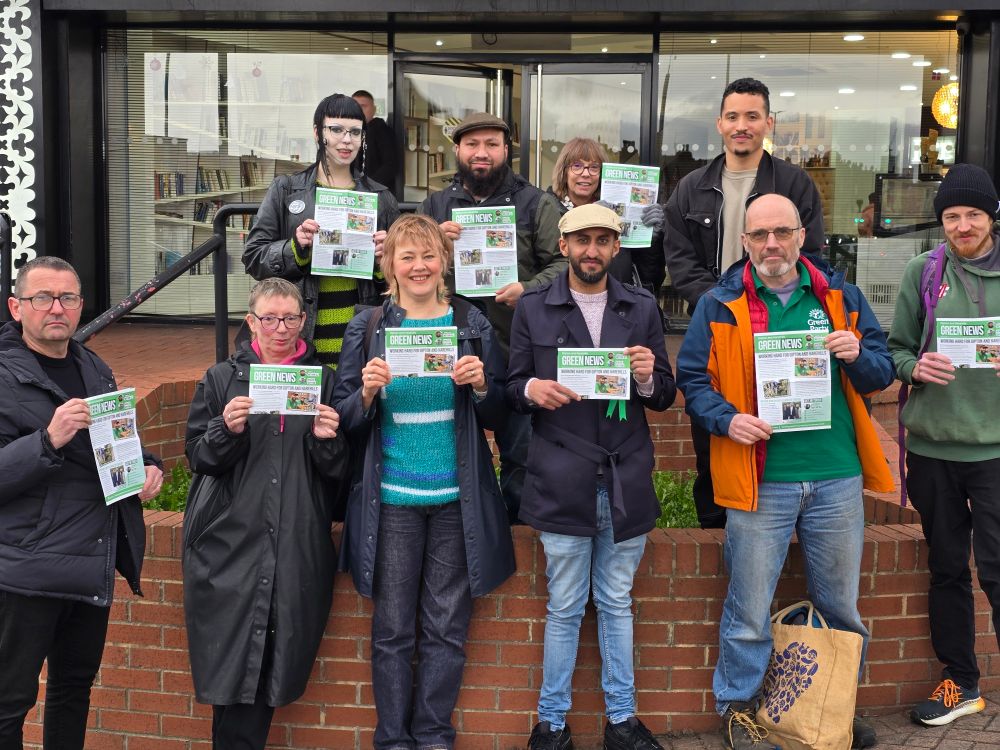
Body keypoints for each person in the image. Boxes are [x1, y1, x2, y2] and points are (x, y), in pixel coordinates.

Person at [675, 193, 892, 750]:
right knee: (748, 606)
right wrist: (727, 422)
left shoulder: (840, 296)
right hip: (759, 478)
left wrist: (855, 353)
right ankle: (738, 708)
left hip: (836, 475)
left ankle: (833, 710)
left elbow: (879, 373)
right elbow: (693, 382)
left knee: (842, 606)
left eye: (782, 232)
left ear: (802, 236)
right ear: (744, 243)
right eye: (759, 235)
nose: (771, 245)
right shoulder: (719, 304)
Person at [333, 214, 515, 750]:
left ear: (444, 263)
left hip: (454, 503)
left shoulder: (471, 324)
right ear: (389, 264)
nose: (418, 266)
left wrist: (483, 387)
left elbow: (502, 414)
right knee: (392, 632)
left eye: (428, 255)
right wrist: (364, 394)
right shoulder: (367, 327)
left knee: (445, 630)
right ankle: (392, 740)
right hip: (392, 502)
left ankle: (434, 736)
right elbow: (343, 417)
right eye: (406, 256)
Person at [506, 204, 677, 750]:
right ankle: (552, 724)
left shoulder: (641, 306)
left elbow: (666, 396)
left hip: (624, 472)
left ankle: (621, 721)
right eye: (582, 240)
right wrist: (532, 390)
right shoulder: (534, 308)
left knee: (616, 603)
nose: (592, 250)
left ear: (616, 247)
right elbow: (510, 386)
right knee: (563, 606)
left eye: (604, 240)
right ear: (563, 245)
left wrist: (649, 378)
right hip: (562, 471)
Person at [0, 256, 163, 748]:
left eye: (67, 298)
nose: (57, 308)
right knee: (9, 703)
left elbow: (115, 442)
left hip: (91, 562)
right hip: (27, 570)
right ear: (16, 307)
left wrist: (146, 466)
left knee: (73, 693)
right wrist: (46, 440)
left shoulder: (94, 367)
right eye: (43, 298)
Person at [182, 277, 349, 749]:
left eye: (290, 318)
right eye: (269, 318)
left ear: (304, 321)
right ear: (251, 321)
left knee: (266, 670)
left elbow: (338, 474)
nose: (280, 329)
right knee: (234, 673)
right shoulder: (221, 379)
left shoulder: (323, 380)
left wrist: (329, 440)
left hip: (295, 542)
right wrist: (225, 430)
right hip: (231, 546)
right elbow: (198, 458)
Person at [664, 77, 826, 530]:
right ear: (719, 123)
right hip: (718, 328)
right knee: (714, 440)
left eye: (752, 116)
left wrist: (773, 305)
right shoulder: (691, 188)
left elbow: (811, 256)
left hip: (782, 329)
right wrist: (722, 304)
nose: (742, 125)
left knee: (782, 435)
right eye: (733, 116)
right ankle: (715, 536)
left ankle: (786, 533)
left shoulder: (795, 184)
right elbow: (680, 261)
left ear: (768, 123)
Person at [887, 163, 1000, 727]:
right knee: (949, 569)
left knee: (999, 569)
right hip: (934, 450)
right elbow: (895, 351)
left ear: (991, 217)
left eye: (972, 214)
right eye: (952, 216)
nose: (962, 225)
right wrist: (916, 366)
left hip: (996, 451)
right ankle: (962, 682)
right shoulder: (922, 272)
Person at [418, 110, 564, 523]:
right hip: (446, 351)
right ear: (458, 150)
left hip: (516, 351)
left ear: (506, 151)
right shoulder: (435, 204)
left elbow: (562, 263)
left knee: (521, 454)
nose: (481, 153)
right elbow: (408, 268)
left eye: (491, 144)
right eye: (472, 144)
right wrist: (436, 246)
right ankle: (461, 530)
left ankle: (517, 536)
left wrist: (528, 289)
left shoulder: (536, 202)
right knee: (445, 450)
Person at [243, 92, 400, 370]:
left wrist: (384, 260)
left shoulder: (381, 197)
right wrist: (296, 247)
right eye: (336, 130)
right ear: (318, 133)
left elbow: (399, 283)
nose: (346, 140)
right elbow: (254, 257)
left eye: (355, 132)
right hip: (299, 335)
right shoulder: (287, 190)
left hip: (360, 338)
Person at [547, 137, 666, 295]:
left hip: (619, 306)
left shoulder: (615, 211)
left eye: (594, 167)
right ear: (564, 171)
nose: (586, 173)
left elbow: (650, 278)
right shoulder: (546, 208)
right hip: (562, 306)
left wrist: (650, 242)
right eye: (577, 166)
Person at [353, 89, 399, 189]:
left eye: (363, 106)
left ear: (374, 109)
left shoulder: (382, 131)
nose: (359, 110)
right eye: (355, 106)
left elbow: (391, 166)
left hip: (375, 196)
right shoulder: (350, 133)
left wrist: (367, 186)